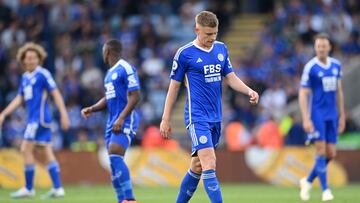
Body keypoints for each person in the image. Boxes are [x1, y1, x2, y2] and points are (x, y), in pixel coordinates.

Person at [160, 11, 259, 203]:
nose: (212, 38)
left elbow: (230, 77)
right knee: (209, 162)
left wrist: (249, 91)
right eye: (208, 34)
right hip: (197, 117)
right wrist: (165, 118)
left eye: (215, 33)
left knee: (197, 166)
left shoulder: (221, 49)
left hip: (216, 117)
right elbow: (174, 87)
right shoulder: (185, 53)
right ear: (197, 30)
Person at [0, 42, 70, 199]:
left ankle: (29, 188)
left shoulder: (43, 74)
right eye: (28, 58)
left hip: (39, 119)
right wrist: (4, 114)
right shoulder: (25, 77)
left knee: (25, 149)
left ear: (39, 59)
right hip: (33, 119)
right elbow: (19, 99)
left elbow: (56, 94)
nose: (31, 60)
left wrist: (64, 114)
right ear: (23, 60)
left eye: (34, 57)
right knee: (46, 151)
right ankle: (58, 188)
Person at [81, 39, 140, 203]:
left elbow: (135, 96)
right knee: (114, 163)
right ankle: (122, 200)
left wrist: (121, 117)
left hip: (126, 119)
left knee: (115, 154)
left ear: (107, 52)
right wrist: (91, 109)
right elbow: (108, 98)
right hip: (111, 121)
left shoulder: (125, 68)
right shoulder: (108, 74)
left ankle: (130, 199)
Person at [299, 33, 345, 201]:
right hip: (317, 114)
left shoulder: (336, 65)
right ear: (315, 48)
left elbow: (339, 92)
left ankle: (308, 180)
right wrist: (306, 118)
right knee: (320, 150)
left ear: (329, 47)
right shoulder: (311, 67)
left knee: (331, 153)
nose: (321, 49)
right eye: (318, 46)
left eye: (324, 46)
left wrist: (342, 115)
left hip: (332, 115)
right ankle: (326, 190)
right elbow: (303, 93)